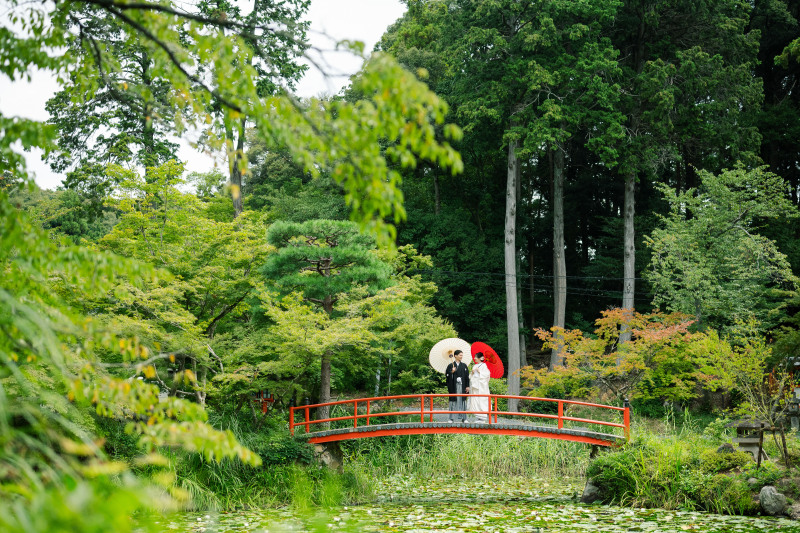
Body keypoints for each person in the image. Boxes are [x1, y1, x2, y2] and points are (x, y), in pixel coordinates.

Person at [446, 349, 470, 422]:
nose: (461, 356)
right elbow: (447, 376)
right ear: (455, 356)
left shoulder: (464, 365)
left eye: (462, 355)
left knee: (463, 401)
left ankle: (464, 418)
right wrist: (451, 372)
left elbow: (467, 377)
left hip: (462, 386)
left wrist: (467, 386)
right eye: (460, 355)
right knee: (453, 401)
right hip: (454, 386)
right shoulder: (450, 365)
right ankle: (451, 418)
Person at [469, 352, 491, 422]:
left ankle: (483, 417)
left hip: (481, 387)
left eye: (476, 357)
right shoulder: (475, 366)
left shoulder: (484, 366)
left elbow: (487, 376)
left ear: (480, 358)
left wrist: (480, 372)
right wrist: (472, 373)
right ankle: (478, 417)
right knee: (475, 401)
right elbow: (470, 377)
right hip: (475, 386)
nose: (474, 358)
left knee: (481, 400)